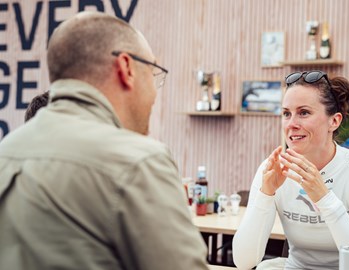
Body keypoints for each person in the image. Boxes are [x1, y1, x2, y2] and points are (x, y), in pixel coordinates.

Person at [0, 11, 208, 270]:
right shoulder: (139, 162)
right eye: (153, 72)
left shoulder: (5, 153)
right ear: (126, 68)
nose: (155, 91)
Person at [233, 71, 349, 270]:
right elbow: (243, 261)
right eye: (286, 113)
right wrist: (266, 195)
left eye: (304, 112)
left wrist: (324, 198)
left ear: (334, 121)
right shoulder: (271, 169)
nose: (291, 124)